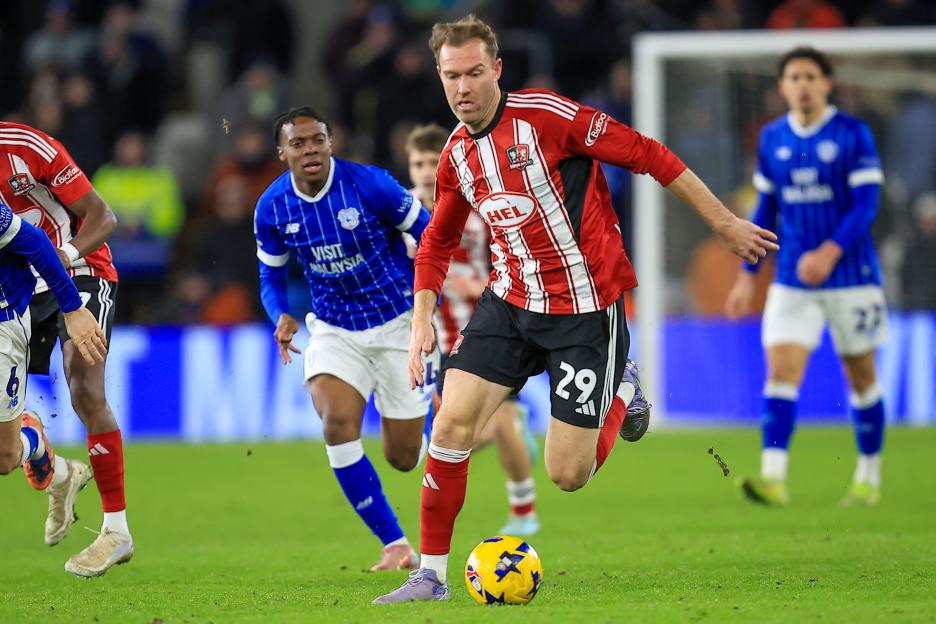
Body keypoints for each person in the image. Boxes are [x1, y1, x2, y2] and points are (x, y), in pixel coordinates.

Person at [374, 15, 777, 603]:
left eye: (474, 73)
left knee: (567, 474)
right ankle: (430, 576)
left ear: (497, 70)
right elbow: (437, 241)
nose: (462, 88)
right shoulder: (458, 154)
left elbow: (647, 154)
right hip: (510, 303)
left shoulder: (549, 118)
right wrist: (419, 325)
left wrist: (723, 221)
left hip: (586, 310)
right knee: (451, 423)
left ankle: (620, 390)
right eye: (451, 76)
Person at [254, 106, 437, 571]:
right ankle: (395, 543)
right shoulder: (272, 207)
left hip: (397, 325)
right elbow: (270, 277)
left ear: (331, 142)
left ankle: (429, 412)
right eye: (298, 143)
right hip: (334, 329)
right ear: (282, 153)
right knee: (336, 423)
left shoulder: (370, 185)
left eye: (317, 139)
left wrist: (427, 302)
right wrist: (281, 316)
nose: (310, 149)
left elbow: (432, 233)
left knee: (403, 458)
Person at [726, 47, 888, 507]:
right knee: (780, 373)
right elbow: (765, 209)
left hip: (851, 276)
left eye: (810, 76)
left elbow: (866, 206)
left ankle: (868, 479)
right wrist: (746, 276)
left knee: (861, 377)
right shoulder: (772, 138)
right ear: (782, 87)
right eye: (793, 77)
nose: (801, 84)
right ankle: (774, 479)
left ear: (826, 83)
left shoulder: (852, 134)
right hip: (793, 278)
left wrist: (829, 251)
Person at [0, 121, 133, 576]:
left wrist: (68, 257)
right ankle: (54, 466)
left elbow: (104, 217)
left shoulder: (25, 147)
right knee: (3, 452)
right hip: (15, 289)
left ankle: (116, 530)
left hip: (77, 267)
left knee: (84, 385)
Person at [405, 123, 541, 536]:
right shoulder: (402, 214)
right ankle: (513, 433)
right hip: (433, 341)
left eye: (433, 161)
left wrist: (472, 284)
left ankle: (524, 513)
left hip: (484, 331)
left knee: (495, 423)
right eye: (418, 163)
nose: (427, 171)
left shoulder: (476, 210)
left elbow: (507, 267)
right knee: (433, 444)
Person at [0, 201, 106, 550]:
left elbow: (35, 242)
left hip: (3, 325)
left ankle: (32, 439)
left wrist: (73, 308)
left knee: (5, 457)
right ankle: (61, 473)